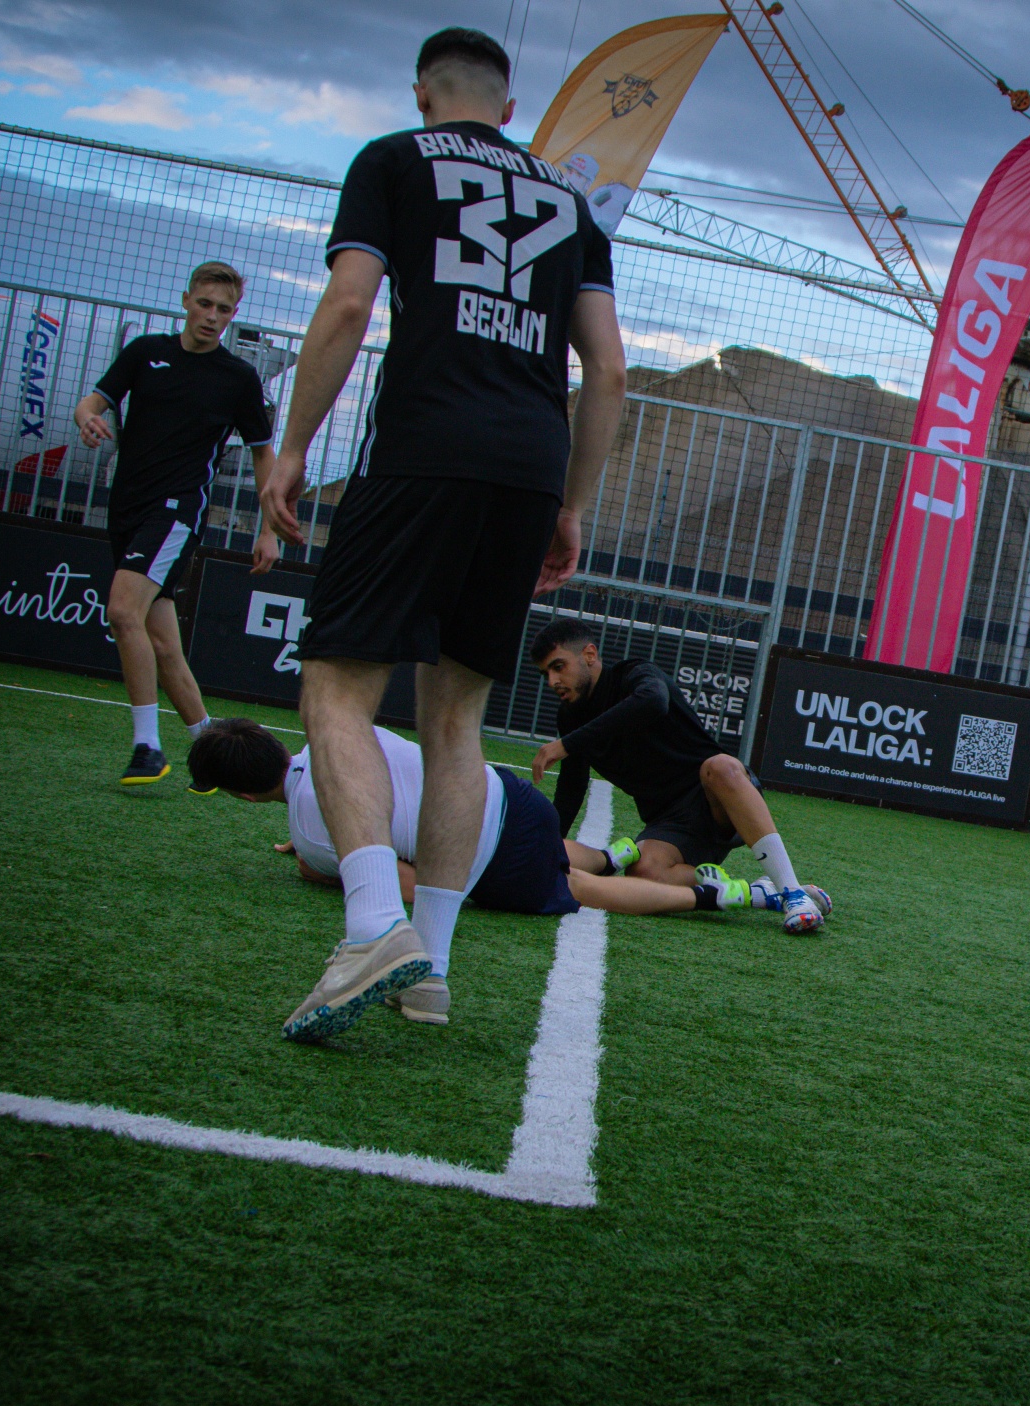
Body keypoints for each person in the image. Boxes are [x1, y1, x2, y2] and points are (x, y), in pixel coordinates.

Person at [254, 27, 628, 1042]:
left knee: (336, 687)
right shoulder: (571, 203)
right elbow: (607, 370)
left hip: (423, 450)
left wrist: (293, 447)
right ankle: (432, 972)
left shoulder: (391, 160)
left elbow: (348, 305)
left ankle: (374, 926)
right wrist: (570, 504)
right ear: (509, 110)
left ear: (423, 94)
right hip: (528, 469)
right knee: (456, 721)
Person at [186, 718, 753, 1024]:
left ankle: (713, 896)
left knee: (577, 889)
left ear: (243, 795)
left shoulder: (312, 832)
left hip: (494, 851)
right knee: (539, 844)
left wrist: (327, 870)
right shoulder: (342, 736)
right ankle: (614, 852)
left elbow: (412, 884)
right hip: (509, 794)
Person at [73, 261, 275, 786]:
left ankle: (147, 748)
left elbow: (262, 452)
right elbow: (93, 401)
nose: (212, 316)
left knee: (123, 612)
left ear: (233, 314)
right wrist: (87, 416)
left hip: (176, 511)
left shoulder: (238, 378)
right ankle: (215, 751)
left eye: (224, 309)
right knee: (162, 644)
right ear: (186, 300)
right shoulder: (146, 352)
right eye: (204, 304)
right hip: (127, 509)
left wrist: (269, 528)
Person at [528, 618, 831, 933]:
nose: (552, 681)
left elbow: (653, 703)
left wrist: (568, 744)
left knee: (721, 766)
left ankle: (792, 892)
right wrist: (549, 849)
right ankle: (759, 892)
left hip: (716, 797)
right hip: (670, 823)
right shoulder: (570, 717)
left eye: (559, 667)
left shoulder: (635, 675)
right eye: (545, 673)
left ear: (589, 655)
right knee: (642, 872)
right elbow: (572, 788)